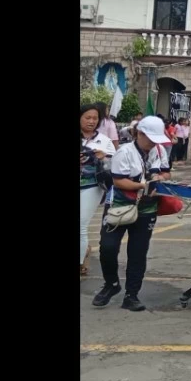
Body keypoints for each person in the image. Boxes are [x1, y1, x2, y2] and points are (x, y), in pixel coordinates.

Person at [93, 115, 172, 311]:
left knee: (138, 252)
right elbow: (119, 181)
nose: (153, 142)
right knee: (108, 247)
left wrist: (159, 177)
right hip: (120, 205)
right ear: (139, 133)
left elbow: (166, 172)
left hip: (147, 207)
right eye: (150, 138)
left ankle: (132, 295)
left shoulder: (159, 150)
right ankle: (111, 284)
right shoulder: (125, 152)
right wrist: (143, 184)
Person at [81, 104, 116, 277]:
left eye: (95, 118)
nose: (91, 121)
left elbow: (116, 163)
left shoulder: (104, 140)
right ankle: (85, 250)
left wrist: (104, 156)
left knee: (81, 224)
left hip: (92, 186)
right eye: (88, 117)